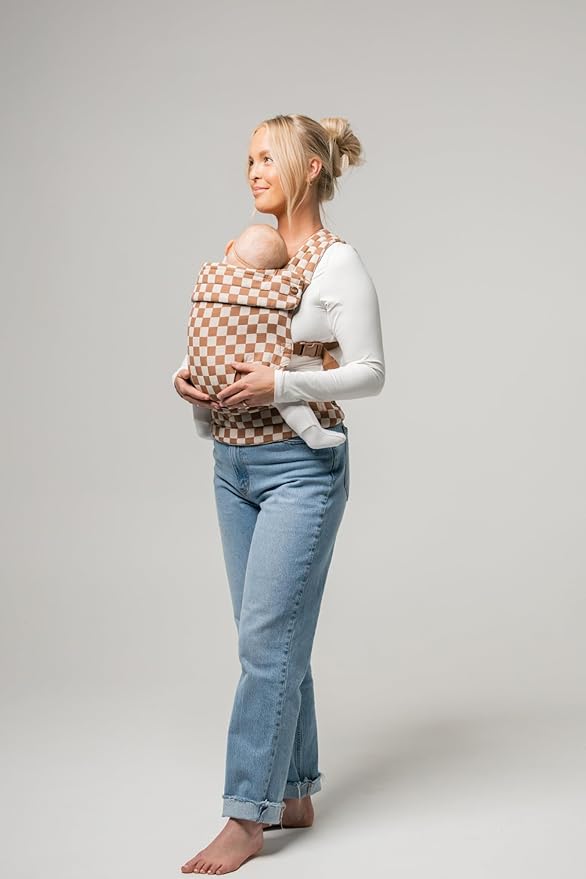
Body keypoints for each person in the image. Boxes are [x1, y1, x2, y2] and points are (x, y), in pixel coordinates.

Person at [174, 114, 386, 875]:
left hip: (300, 468)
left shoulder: (338, 264)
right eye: (249, 159)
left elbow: (371, 372)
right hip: (231, 463)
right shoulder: (249, 253)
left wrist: (282, 385)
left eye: (268, 158)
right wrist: (188, 378)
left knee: (266, 644)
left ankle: (245, 816)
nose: (254, 170)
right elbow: (220, 336)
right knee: (270, 639)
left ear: (308, 168)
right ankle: (293, 792)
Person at [186, 221, 347, 449]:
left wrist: (184, 372)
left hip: (201, 369)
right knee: (279, 389)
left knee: (205, 392)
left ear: (229, 247)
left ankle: (203, 426)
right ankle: (311, 431)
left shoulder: (211, 278)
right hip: (245, 371)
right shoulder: (271, 289)